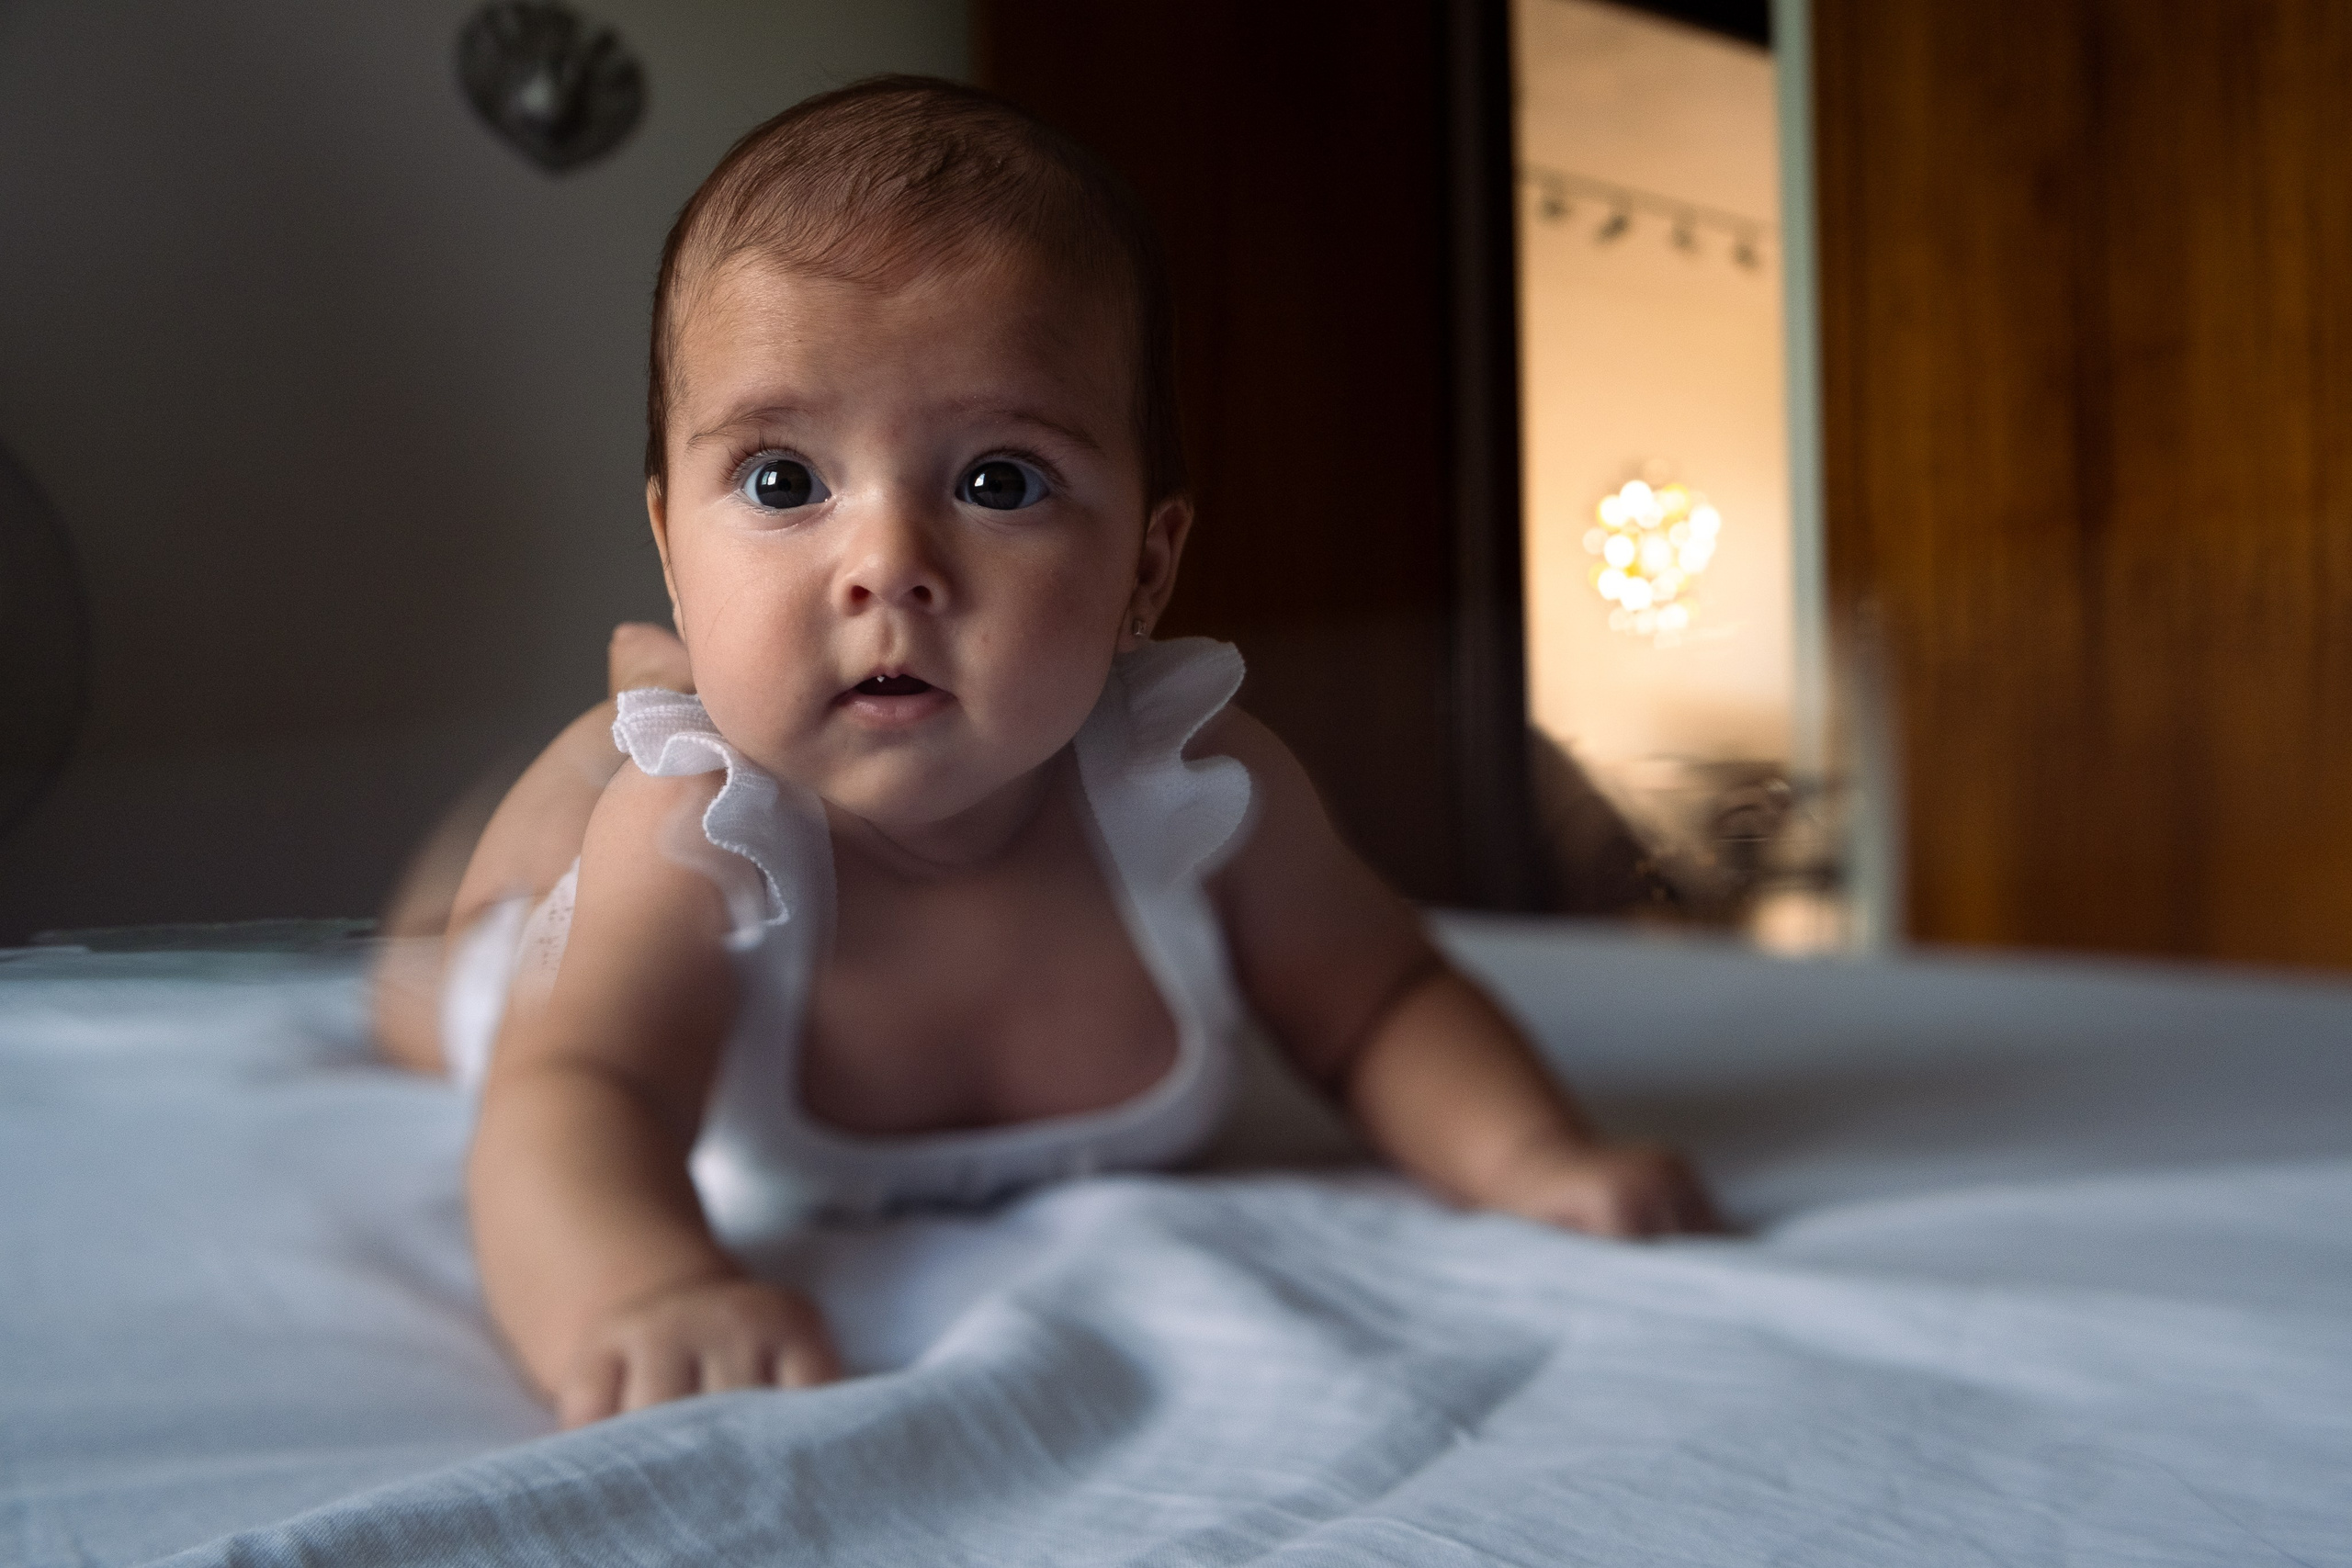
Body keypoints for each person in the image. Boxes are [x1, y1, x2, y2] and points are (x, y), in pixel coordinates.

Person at [371, 75, 1720, 1431]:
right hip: (569, 926)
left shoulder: (1197, 793)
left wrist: (1532, 1155)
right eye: (784, 482)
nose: (889, 567)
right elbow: (574, 1095)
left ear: (1147, 566)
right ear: (671, 545)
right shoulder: (695, 834)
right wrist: (638, 1291)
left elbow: (1381, 1004)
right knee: (441, 987)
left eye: (998, 481)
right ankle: (598, 736)